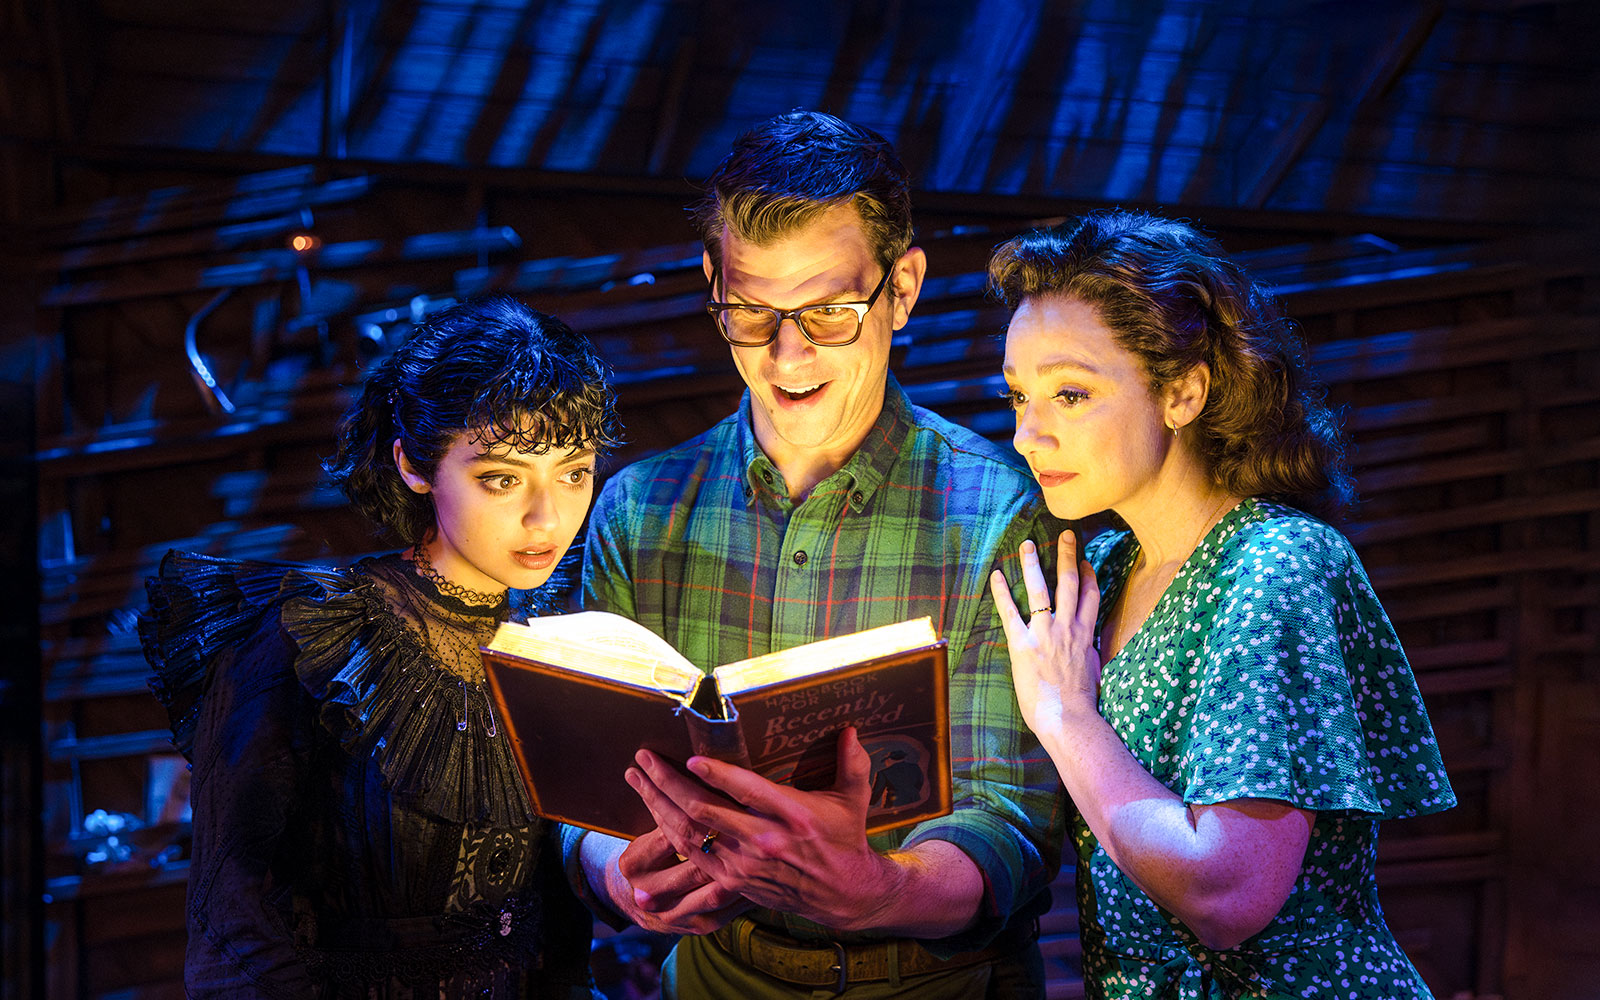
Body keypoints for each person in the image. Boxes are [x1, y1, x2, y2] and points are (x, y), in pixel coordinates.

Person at [566, 111, 1068, 998]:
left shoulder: (1001, 510)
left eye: (830, 311)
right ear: (712, 282)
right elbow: (585, 790)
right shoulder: (638, 512)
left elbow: (1014, 819)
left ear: (902, 289)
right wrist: (617, 871)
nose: (786, 351)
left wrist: (879, 891)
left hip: (939, 983)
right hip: (719, 975)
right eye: (751, 309)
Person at [986, 210, 1456, 998]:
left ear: (1183, 391)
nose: (1029, 434)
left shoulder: (1272, 565)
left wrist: (1067, 716)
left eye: (1070, 394)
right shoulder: (1102, 573)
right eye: (1018, 397)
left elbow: (1228, 893)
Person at [140, 296, 622, 998]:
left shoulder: (558, 640)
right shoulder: (317, 639)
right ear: (414, 465)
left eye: (574, 472)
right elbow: (234, 924)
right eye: (502, 478)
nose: (547, 517)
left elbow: (559, 917)